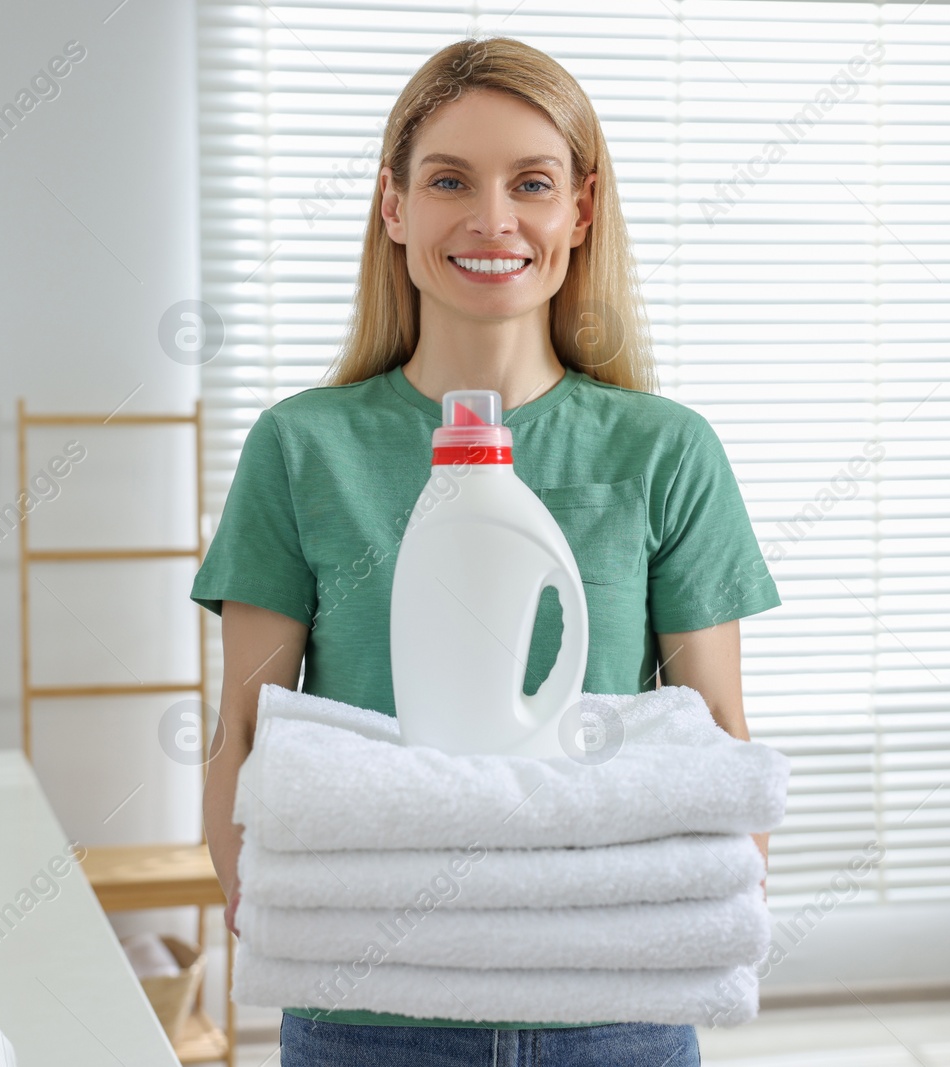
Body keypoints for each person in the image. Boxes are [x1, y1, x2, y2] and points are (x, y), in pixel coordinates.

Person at [191, 35, 780, 1067]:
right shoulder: (303, 448)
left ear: (580, 211)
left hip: (613, 1010)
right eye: (449, 179)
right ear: (393, 207)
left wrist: (683, 913)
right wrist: (292, 924)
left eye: (533, 183)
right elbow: (245, 726)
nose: (492, 218)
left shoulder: (662, 451)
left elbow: (714, 739)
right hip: (365, 1011)